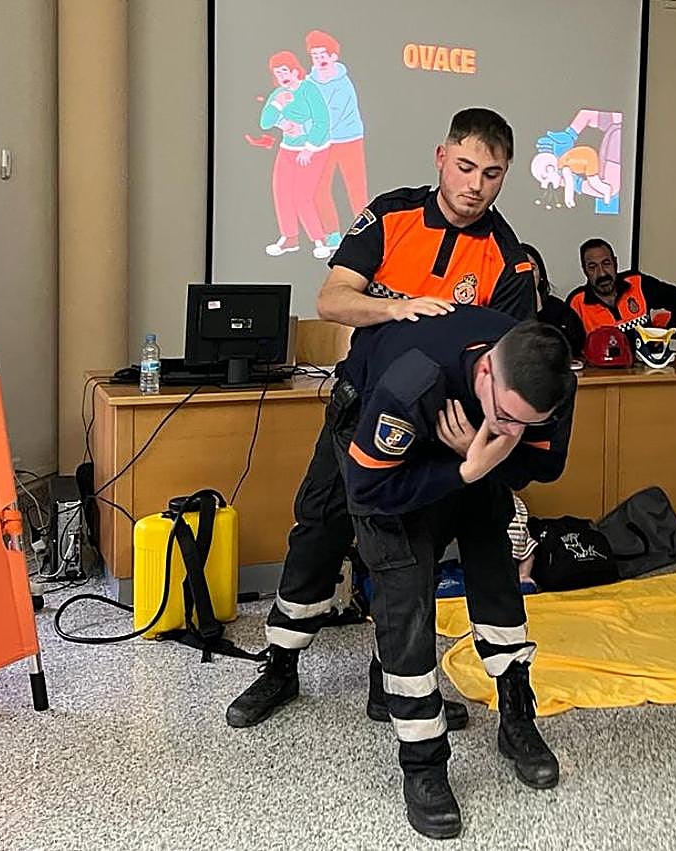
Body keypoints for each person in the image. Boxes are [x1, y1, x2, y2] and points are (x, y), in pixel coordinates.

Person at [227, 108, 536, 730]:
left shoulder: (510, 258)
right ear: (442, 157)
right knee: (318, 531)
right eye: (466, 167)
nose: (476, 186)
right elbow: (331, 299)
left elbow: (507, 371)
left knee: (410, 557)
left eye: (492, 175)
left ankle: (391, 679)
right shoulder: (391, 215)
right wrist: (399, 310)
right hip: (357, 410)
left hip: (440, 429)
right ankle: (281, 666)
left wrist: (473, 444)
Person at [341, 309, 576, 839]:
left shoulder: (548, 381)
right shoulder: (412, 382)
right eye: (507, 416)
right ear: (487, 370)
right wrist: (466, 467)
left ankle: (517, 719)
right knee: (406, 602)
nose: (513, 430)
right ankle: (423, 765)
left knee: (497, 572)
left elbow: (544, 467)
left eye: (526, 425)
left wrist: (480, 452)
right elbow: (368, 490)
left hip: (468, 454)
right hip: (389, 468)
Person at [259, 51, 332, 260]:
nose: (282, 76)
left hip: (314, 150)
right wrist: (279, 109)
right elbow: (265, 122)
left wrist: (309, 147)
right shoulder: (279, 94)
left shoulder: (309, 89)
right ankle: (289, 237)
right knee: (281, 192)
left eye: (284, 71)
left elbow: (322, 121)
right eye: (277, 72)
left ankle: (319, 239)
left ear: (294, 71)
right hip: (288, 149)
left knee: (303, 196)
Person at [304, 30, 369, 253]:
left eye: (323, 54)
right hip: (323, 143)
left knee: (356, 187)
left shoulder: (343, 82)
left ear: (333, 56)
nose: (319, 59)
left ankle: (366, 233)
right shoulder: (309, 84)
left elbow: (333, 113)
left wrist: (314, 133)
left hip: (348, 139)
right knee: (319, 188)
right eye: (315, 55)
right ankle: (332, 233)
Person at [567, 238, 676, 335]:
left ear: (615, 263)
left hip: (643, 361)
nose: (601, 273)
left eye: (606, 263)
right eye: (592, 267)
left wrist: (671, 339)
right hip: (600, 364)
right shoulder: (576, 302)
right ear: (584, 270)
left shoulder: (638, 283)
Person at [520, 241, 585, 355]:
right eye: (521, 269)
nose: (527, 275)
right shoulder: (502, 307)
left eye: (532, 268)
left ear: (541, 274)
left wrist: (539, 310)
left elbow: (575, 345)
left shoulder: (559, 309)